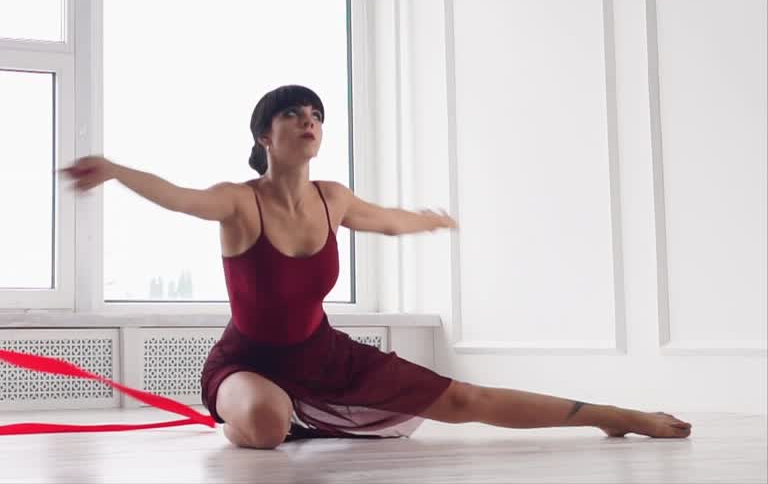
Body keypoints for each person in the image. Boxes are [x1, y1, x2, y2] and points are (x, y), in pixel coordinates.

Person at [62, 85, 692, 449]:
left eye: (316, 117)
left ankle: (615, 416)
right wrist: (114, 170)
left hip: (325, 355)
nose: (308, 123)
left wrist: (429, 220)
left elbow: (387, 220)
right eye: (293, 115)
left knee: (463, 397)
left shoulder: (332, 199)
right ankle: (246, 418)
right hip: (246, 363)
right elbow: (177, 196)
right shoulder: (238, 202)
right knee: (264, 426)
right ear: (263, 136)